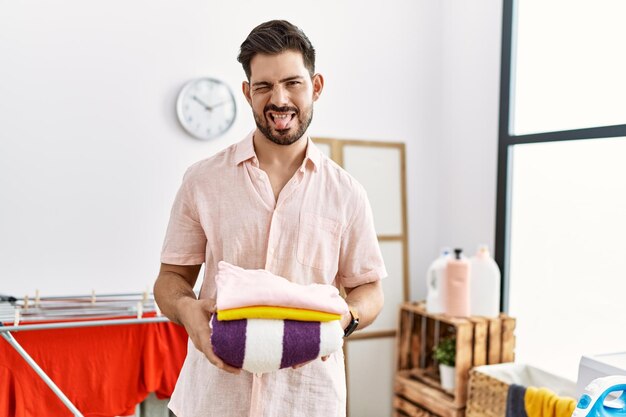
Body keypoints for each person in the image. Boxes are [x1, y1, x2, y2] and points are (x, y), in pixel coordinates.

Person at [154, 19, 386, 417]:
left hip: (307, 401)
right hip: (211, 400)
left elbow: (370, 290)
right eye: (264, 86)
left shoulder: (347, 194)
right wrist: (187, 311)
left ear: (315, 87)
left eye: (293, 83)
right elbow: (171, 280)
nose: (279, 99)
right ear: (247, 92)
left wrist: (346, 319)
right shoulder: (202, 180)